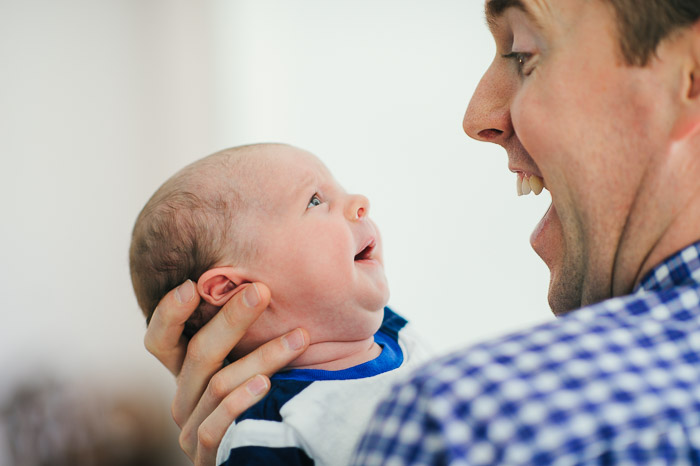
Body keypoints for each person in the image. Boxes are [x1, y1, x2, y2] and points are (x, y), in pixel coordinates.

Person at [141, 0, 700, 464]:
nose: (476, 114)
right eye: (315, 201)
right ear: (230, 289)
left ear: (689, 78)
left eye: (525, 53)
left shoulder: (456, 426)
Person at [129, 143, 429, 465]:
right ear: (232, 288)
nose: (360, 202)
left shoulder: (394, 331)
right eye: (315, 201)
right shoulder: (265, 431)